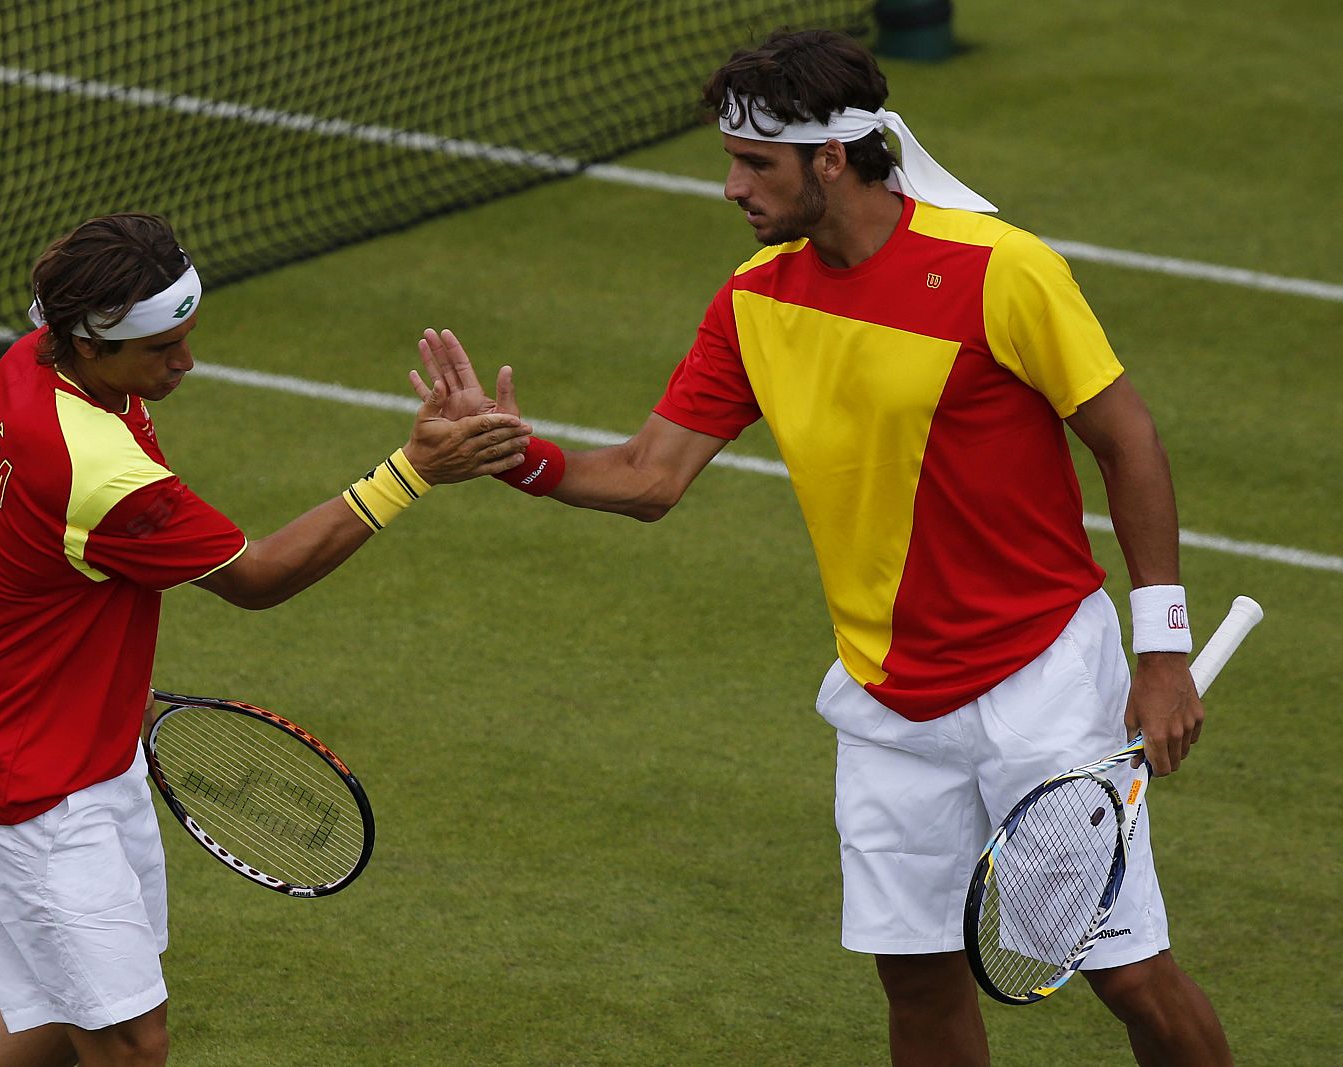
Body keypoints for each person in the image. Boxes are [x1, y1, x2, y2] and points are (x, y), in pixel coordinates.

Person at [413, 27, 1234, 1067]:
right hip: (886, 703)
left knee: (1127, 974)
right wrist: (512, 455)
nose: (731, 187)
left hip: (1041, 680)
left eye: (754, 163)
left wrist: (1161, 652)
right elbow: (649, 475)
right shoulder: (755, 299)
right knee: (917, 977)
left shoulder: (1001, 270)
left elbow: (1128, 441)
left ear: (832, 158)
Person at [0, 212, 531, 1067]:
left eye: (187, 336)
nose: (185, 362)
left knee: (66, 1010)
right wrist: (413, 471)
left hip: (73, 741)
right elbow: (258, 577)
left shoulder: (32, 362)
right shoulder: (92, 465)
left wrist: (94, 683)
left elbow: (11, 556)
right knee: (132, 1040)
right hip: (26, 781)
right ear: (90, 342)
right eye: (161, 348)